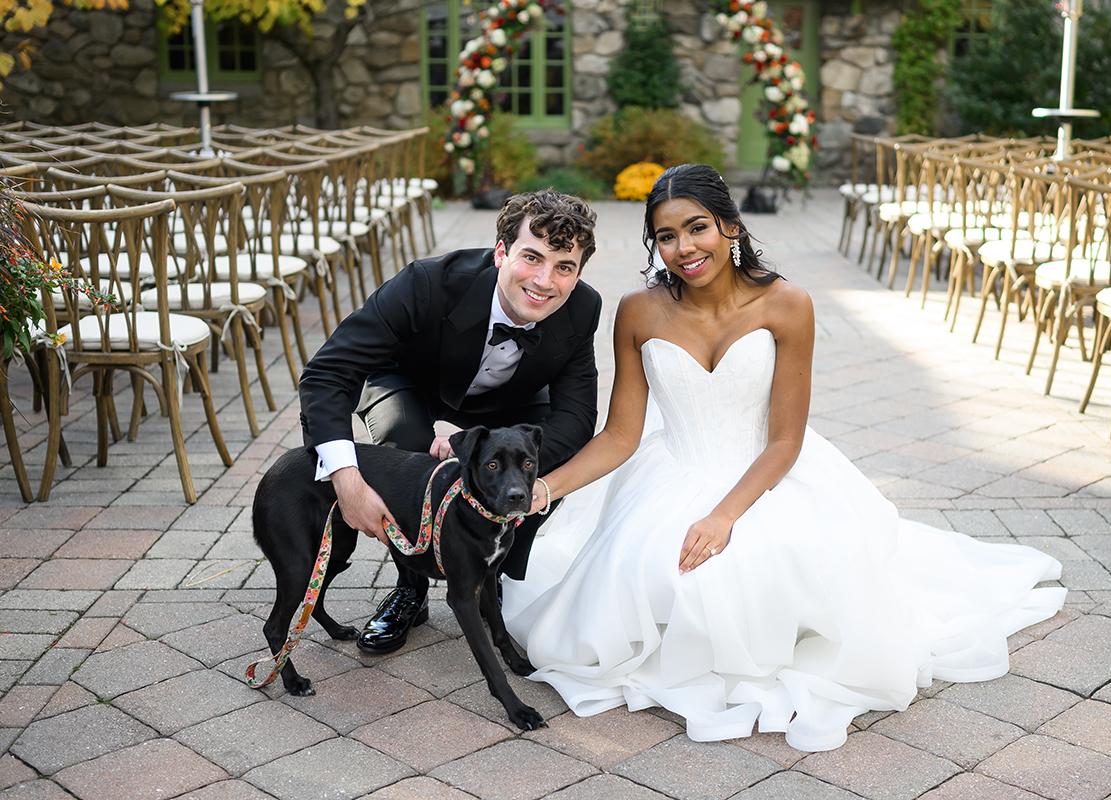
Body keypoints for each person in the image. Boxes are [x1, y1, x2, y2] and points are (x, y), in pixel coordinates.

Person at [504, 164, 1066, 752]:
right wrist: (547, 489)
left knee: (751, 570)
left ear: (730, 227)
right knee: (647, 572)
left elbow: (784, 441)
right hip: (670, 473)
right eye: (666, 236)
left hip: (767, 476)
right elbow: (621, 435)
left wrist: (724, 516)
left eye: (697, 228)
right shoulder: (639, 311)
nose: (683, 248)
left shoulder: (788, 304)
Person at [298, 189, 601, 654]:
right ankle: (410, 588)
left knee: (541, 461)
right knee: (406, 443)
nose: (545, 281)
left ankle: (490, 579)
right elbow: (329, 371)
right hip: (411, 384)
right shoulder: (427, 283)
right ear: (501, 252)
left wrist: (490, 453)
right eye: (531, 258)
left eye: (564, 267)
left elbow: (577, 415)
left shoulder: (583, 308)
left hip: (511, 405)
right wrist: (344, 477)